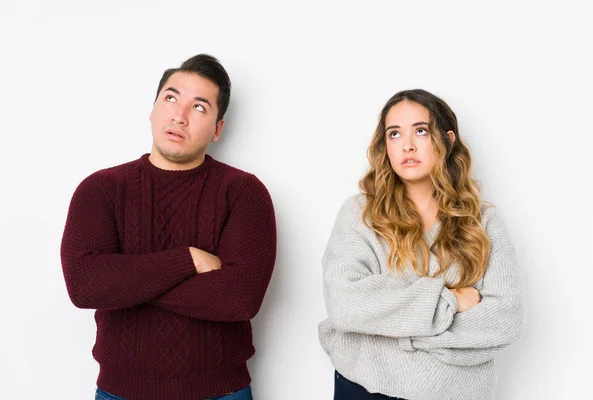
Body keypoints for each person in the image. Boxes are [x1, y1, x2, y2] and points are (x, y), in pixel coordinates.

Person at [61, 54, 276, 400]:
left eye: (200, 107)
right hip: (122, 392)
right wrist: (187, 261)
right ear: (153, 109)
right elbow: (84, 284)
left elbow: (239, 298)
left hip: (220, 392)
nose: (180, 115)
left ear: (218, 129)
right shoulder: (101, 189)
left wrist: (126, 283)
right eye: (171, 98)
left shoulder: (244, 193)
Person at [318, 89, 524, 400]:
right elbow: (345, 305)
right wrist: (449, 302)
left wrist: (399, 333)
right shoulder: (360, 214)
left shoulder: (483, 221)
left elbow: (505, 319)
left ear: (448, 140)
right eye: (395, 133)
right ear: (384, 146)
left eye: (421, 131)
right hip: (365, 389)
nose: (408, 145)